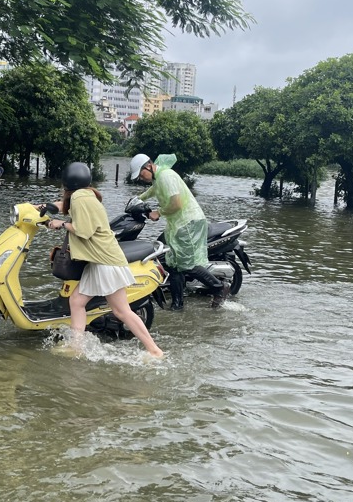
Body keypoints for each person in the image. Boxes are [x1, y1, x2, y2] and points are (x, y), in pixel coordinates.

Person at [47, 162, 164, 358]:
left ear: (67, 182)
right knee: (76, 301)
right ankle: (76, 346)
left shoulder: (79, 198)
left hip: (105, 262)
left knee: (121, 311)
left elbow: (84, 231)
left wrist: (61, 225)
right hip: (100, 261)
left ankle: (154, 351)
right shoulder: (87, 195)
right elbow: (67, 209)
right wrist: (39, 207)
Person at [129, 153, 228, 310]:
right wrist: (137, 200)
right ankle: (177, 305)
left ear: (148, 166)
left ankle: (218, 287)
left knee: (186, 265)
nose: (141, 178)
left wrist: (158, 212)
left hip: (188, 223)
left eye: (141, 174)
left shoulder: (166, 176)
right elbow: (152, 191)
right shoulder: (158, 178)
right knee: (173, 264)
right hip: (178, 224)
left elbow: (177, 204)